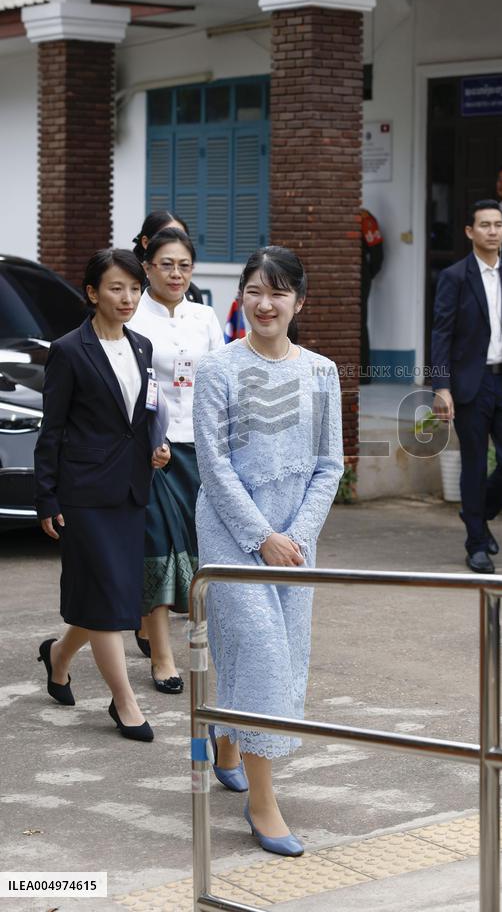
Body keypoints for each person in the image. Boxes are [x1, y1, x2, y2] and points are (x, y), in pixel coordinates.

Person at [193, 246, 343, 857]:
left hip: (296, 541)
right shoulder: (217, 369)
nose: (265, 303)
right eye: (255, 290)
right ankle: (262, 801)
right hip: (233, 534)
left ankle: (228, 742)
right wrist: (262, 538)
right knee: (260, 655)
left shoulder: (322, 372)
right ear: (241, 298)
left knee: (285, 650)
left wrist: (298, 536)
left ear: (298, 302)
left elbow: (330, 464)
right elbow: (214, 465)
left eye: (278, 292)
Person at [34, 249, 170, 742]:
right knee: (111, 595)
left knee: (106, 594)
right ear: (93, 293)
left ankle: (59, 656)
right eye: (117, 288)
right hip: (84, 493)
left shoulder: (143, 347)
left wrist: (158, 446)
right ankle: (125, 703)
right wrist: (46, 498)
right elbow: (52, 430)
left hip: (132, 487)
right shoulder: (69, 350)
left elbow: (143, 414)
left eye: (134, 288)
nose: (128, 297)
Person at [128, 227, 223, 692]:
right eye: (166, 264)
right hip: (153, 451)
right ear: (146, 266)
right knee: (158, 546)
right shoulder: (133, 315)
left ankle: (190, 638)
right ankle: (162, 657)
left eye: (184, 265)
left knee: (197, 544)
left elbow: (221, 381)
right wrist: (148, 441)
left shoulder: (204, 317)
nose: (176, 273)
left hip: (200, 447)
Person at [431, 200, 502, 574]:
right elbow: (441, 334)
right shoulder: (455, 277)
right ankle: (476, 545)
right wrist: (441, 386)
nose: (493, 231)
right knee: (474, 463)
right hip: (471, 386)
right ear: (470, 232)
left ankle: (477, 516)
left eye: (498, 224)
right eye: (485, 225)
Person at [133, 210, 204, 304]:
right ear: (146, 242)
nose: (175, 241)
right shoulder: (132, 288)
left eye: (181, 236)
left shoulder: (193, 293)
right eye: (165, 236)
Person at [359, 208, 384, 383]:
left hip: (359, 275)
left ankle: (362, 374)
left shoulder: (364, 219)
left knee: (358, 322)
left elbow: (377, 253)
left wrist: (367, 274)